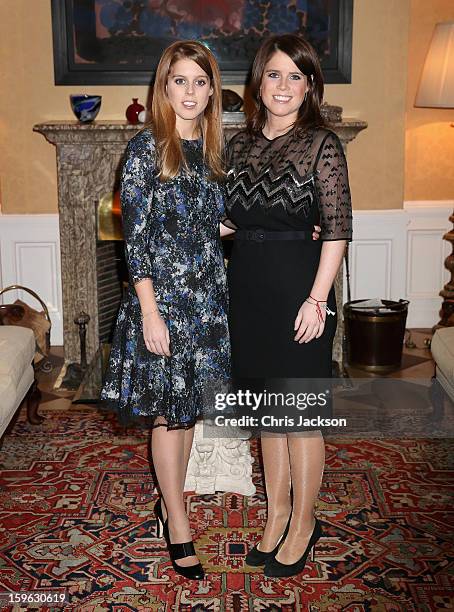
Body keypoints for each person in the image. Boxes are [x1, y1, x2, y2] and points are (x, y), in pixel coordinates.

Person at [100, 40, 231, 580]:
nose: (191, 92)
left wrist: (292, 228)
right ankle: (177, 519)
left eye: (200, 82)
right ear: (164, 86)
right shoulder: (145, 149)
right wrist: (150, 312)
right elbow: (135, 240)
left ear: (212, 90)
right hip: (163, 304)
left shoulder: (216, 149)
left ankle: (168, 502)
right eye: (180, 80)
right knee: (165, 412)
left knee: (189, 408)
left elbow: (219, 225)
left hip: (208, 301)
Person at [223, 34, 352, 578]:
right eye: (273, 74)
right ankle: (276, 515)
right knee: (265, 413)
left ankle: (304, 522)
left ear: (310, 86)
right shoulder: (237, 145)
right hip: (246, 289)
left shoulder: (322, 144)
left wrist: (318, 300)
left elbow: (339, 229)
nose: (283, 86)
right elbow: (228, 221)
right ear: (258, 81)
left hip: (301, 290)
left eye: (295, 76)